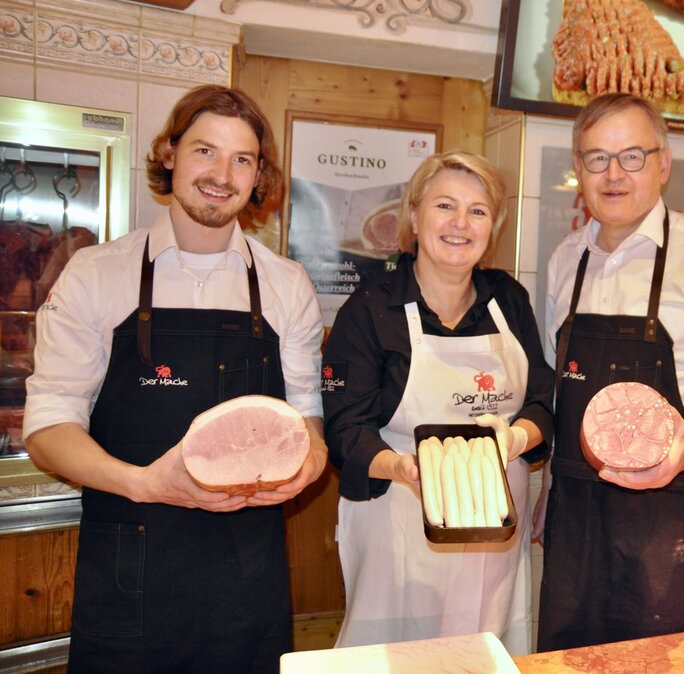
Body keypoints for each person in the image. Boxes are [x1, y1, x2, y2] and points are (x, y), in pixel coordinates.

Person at [23, 85, 327, 673]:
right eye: (205, 151)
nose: (222, 174)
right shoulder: (95, 274)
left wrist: (309, 462)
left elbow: (306, 417)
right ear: (169, 152)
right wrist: (142, 483)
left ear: (258, 173)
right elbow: (49, 425)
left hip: (247, 574)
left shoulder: (287, 285)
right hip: (129, 566)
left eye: (242, 159)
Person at [538, 93, 684, 651]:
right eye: (596, 158)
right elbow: (556, 388)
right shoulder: (564, 259)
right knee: (566, 660)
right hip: (576, 511)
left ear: (663, 163)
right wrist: (548, 488)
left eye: (632, 156)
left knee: (663, 662)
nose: (613, 174)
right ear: (578, 169)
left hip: (673, 514)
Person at [322, 149, 554, 654]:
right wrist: (407, 470)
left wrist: (516, 437)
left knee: (484, 646)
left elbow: (541, 401)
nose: (460, 223)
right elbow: (344, 430)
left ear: (492, 226)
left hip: (494, 520)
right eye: (444, 206)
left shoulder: (508, 299)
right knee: (398, 652)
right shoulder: (370, 309)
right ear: (414, 216)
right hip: (401, 519)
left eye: (478, 210)